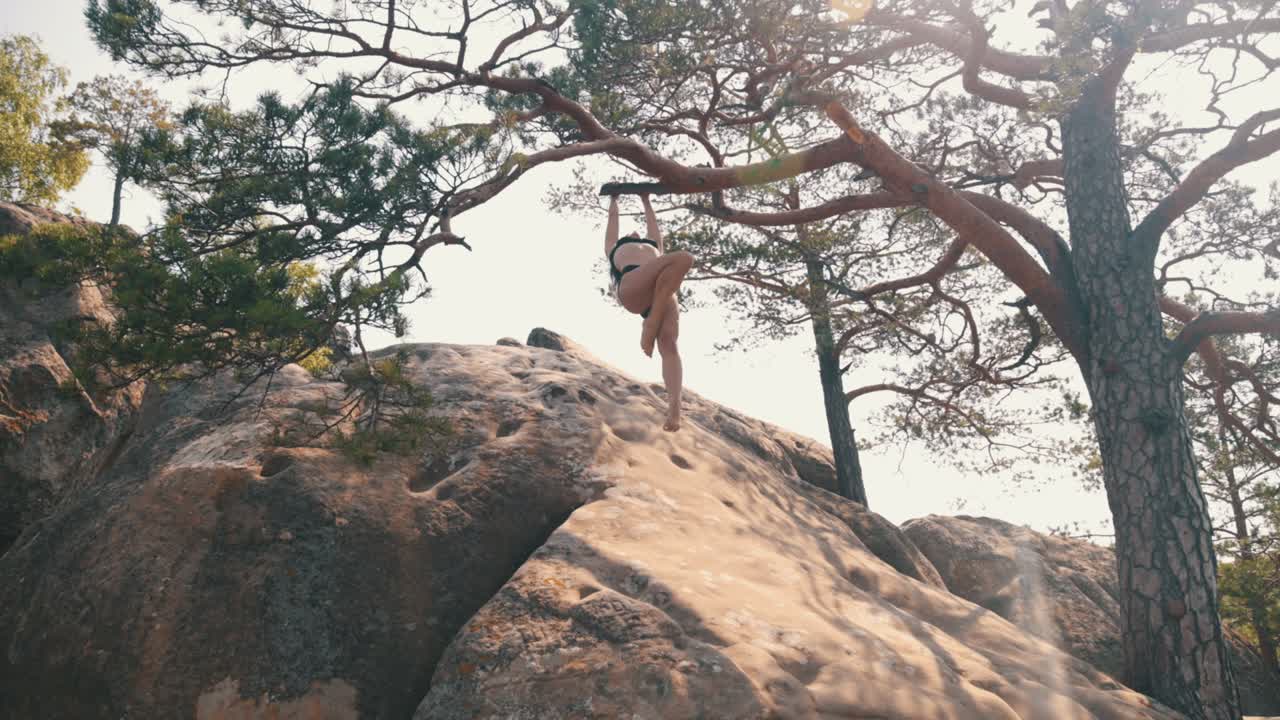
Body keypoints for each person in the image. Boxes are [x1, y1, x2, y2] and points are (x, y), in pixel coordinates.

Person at [603, 191, 694, 432]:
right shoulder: (613, 247)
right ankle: (651, 322)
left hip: (664, 295)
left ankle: (674, 411)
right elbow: (613, 223)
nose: (635, 232)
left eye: (638, 232)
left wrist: (646, 199)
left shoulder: (655, 246)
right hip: (634, 285)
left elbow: (653, 226)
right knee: (684, 258)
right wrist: (614, 200)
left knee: (670, 347)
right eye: (628, 235)